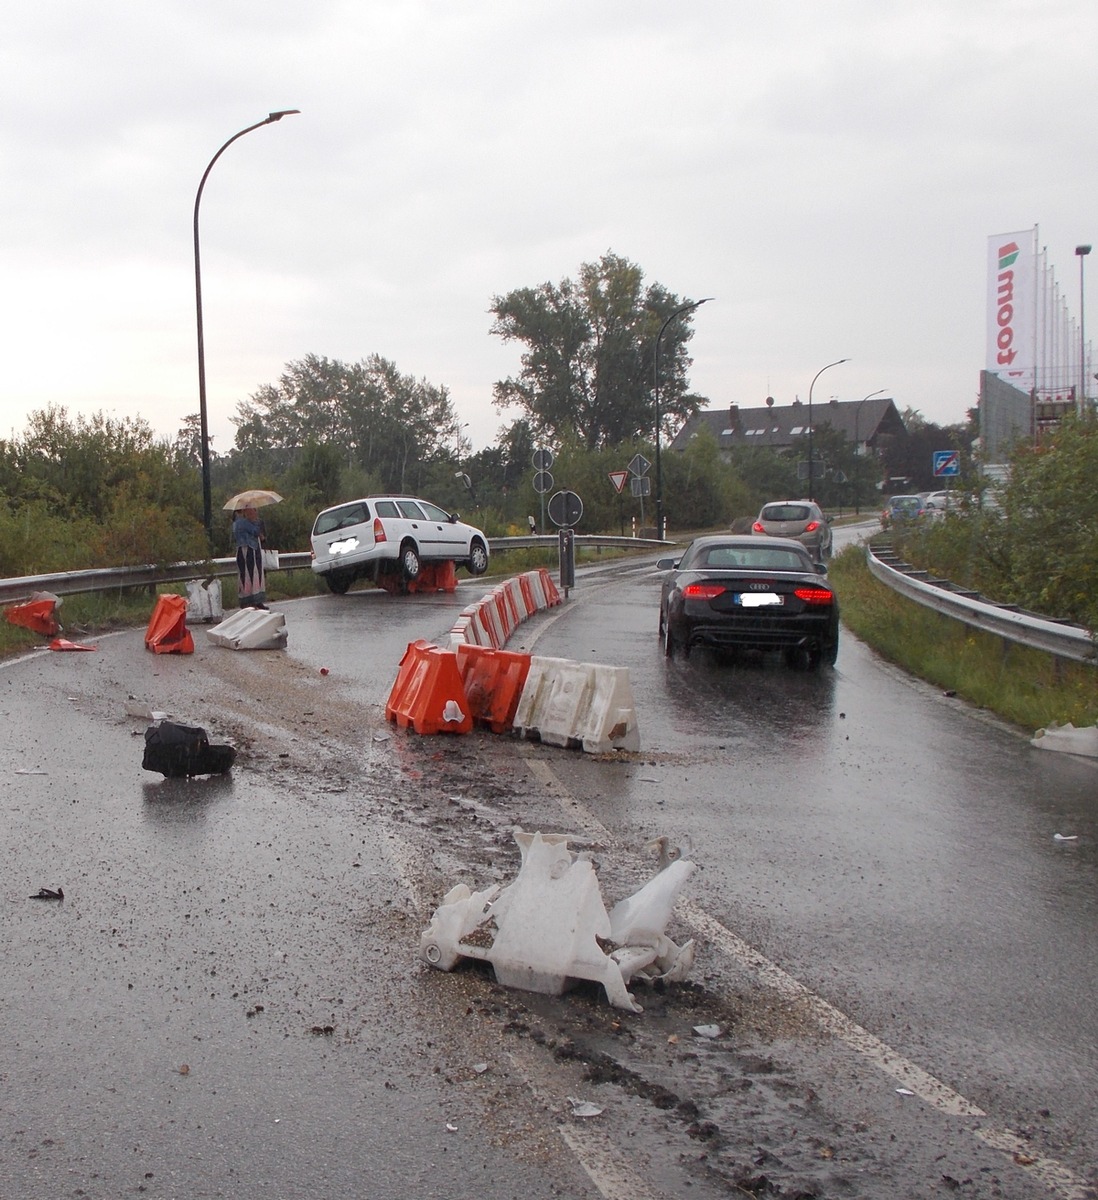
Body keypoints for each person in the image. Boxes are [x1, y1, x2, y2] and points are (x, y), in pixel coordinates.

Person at [232, 506, 268, 609]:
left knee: (247, 575)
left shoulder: (236, 523)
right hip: (248, 551)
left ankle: (250, 600)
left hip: (247, 550)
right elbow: (256, 531)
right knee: (252, 574)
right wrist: (255, 521)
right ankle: (253, 600)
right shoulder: (242, 522)